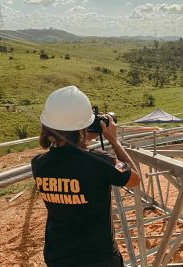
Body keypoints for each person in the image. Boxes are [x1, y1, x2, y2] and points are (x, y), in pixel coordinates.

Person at [31, 85, 140, 267]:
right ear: (84, 126)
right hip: (98, 258)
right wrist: (114, 140)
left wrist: (80, 136)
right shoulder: (102, 162)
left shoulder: (39, 164)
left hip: (57, 256)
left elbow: (66, 157)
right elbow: (135, 178)